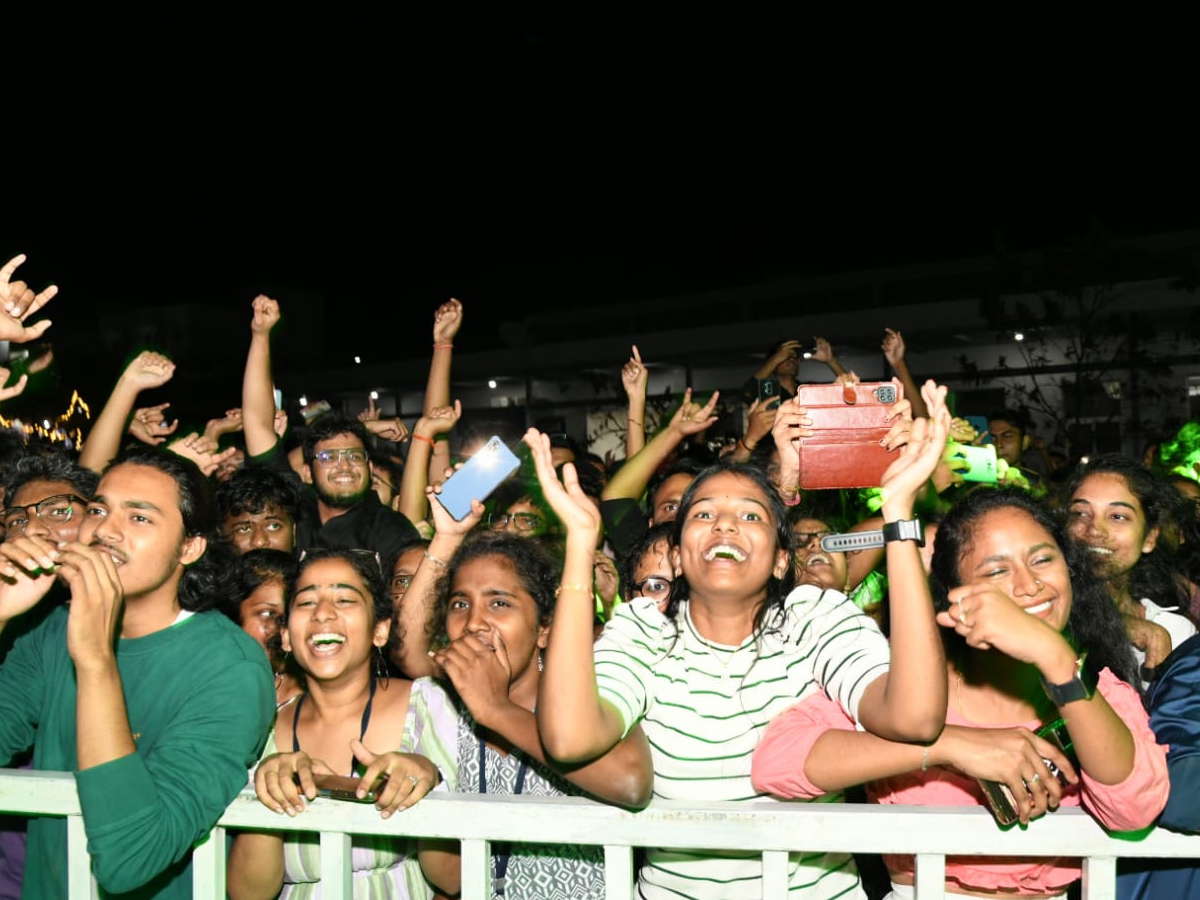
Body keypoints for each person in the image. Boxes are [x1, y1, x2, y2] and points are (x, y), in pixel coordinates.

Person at [533, 378, 952, 900]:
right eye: (704, 513)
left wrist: (897, 513)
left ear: (781, 560)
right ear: (681, 555)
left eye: (751, 515)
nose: (725, 524)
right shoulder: (644, 628)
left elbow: (914, 718)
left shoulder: (813, 613)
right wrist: (579, 543)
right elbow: (570, 739)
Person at [753, 487, 1168, 899]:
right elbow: (778, 761)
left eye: (1043, 559)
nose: (1030, 585)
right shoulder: (911, 685)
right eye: (996, 571)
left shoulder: (1096, 692)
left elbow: (1132, 810)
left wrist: (1054, 657)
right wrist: (948, 747)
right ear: (953, 595)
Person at [0, 445, 276, 900]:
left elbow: (131, 858)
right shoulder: (49, 632)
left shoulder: (231, 666)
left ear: (190, 546)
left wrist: (95, 659)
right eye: (98, 509)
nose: (105, 530)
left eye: (139, 518)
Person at [418, 528, 652, 900]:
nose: (474, 622)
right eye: (460, 604)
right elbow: (449, 878)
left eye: (499, 603)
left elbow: (631, 784)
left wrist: (496, 710)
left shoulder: (583, 691)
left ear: (544, 629)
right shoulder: (437, 703)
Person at [229, 548, 459, 900]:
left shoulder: (427, 706)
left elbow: (453, 879)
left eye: (345, 599)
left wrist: (428, 784)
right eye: (305, 603)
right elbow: (248, 893)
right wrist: (270, 792)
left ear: (380, 630)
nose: (323, 614)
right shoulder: (264, 728)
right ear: (287, 636)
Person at [1063, 454, 1196, 678]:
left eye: (1117, 516)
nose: (1095, 529)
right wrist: (1115, 625)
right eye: (1081, 513)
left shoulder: (1175, 631)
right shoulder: (1043, 609)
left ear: (1149, 538)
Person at [218, 549, 304, 710]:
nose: (282, 626)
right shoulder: (211, 690)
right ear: (233, 619)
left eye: (291, 613)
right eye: (268, 613)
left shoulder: (319, 697)